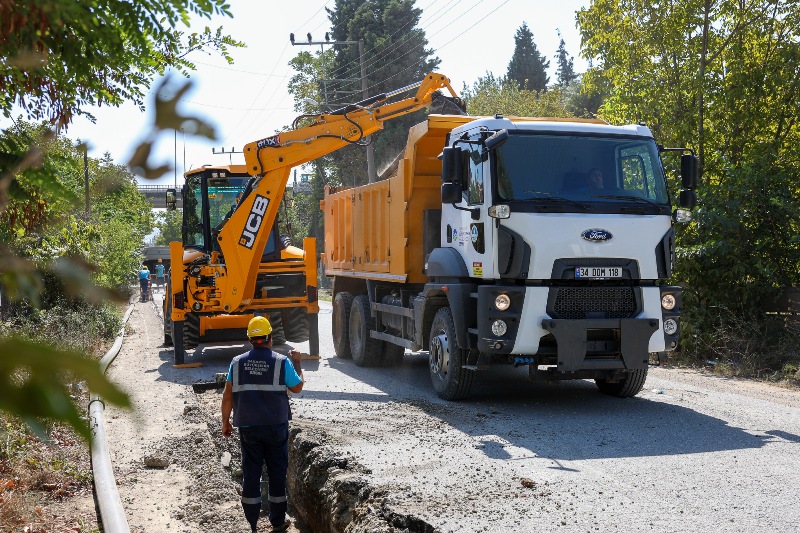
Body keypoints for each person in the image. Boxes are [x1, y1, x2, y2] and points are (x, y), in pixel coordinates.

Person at [221, 316, 304, 533]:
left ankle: (251, 523)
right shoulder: (281, 361)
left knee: (251, 472)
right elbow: (297, 388)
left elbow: (228, 395)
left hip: (248, 426)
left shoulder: (237, 362)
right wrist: (297, 361)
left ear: (250, 339)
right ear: (270, 337)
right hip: (276, 426)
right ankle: (277, 522)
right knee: (277, 472)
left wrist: (225, 422)